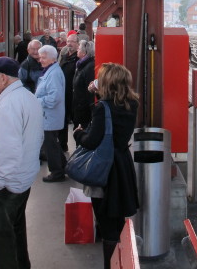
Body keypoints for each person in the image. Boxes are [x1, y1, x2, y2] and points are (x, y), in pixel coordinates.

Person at [0, 56, 44, 269]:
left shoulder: (8, 106)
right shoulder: (27, 97)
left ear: (3, 79)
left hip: (4, 188)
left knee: (1, 243)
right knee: (16, 233)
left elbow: (6, 151)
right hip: (22, 181)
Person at [73, 63, 139, 269]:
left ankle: (110, 264)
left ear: (107, 83)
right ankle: (120, 259)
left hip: (106, 170)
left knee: (106, 221)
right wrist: (98, 96)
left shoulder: (103, 108)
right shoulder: (131, 103)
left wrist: (78, 133)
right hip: (122, 165)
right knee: (117, 218)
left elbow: (92, 141)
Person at [35, 44, 67, 182]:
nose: (40, 60)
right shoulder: (51, 70)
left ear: (52, 59)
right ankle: (64, 166)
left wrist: (37, 101)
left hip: (49, 116)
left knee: (50, 145)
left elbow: (55, 98)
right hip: (50, 116)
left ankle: (57, 173)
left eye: (43, 57)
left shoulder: (53, 74)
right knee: (53, 143)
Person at [58, 32, 80, 152]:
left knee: (76, 121)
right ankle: (63, 145)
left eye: (72, 41)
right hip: (63, 94)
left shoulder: (79, 58)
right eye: (68, 41)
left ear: (77, 44)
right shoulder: (64, 55)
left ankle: (78, 146)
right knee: (62, 121)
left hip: (74, 95)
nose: (69, 44)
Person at [72, 40, 96, 129]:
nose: (77, 51)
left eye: (78, 49)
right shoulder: (82, 65)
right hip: (79, 106)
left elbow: (89, 91)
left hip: (84, 109)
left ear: (84, 52)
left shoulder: (89, 67)